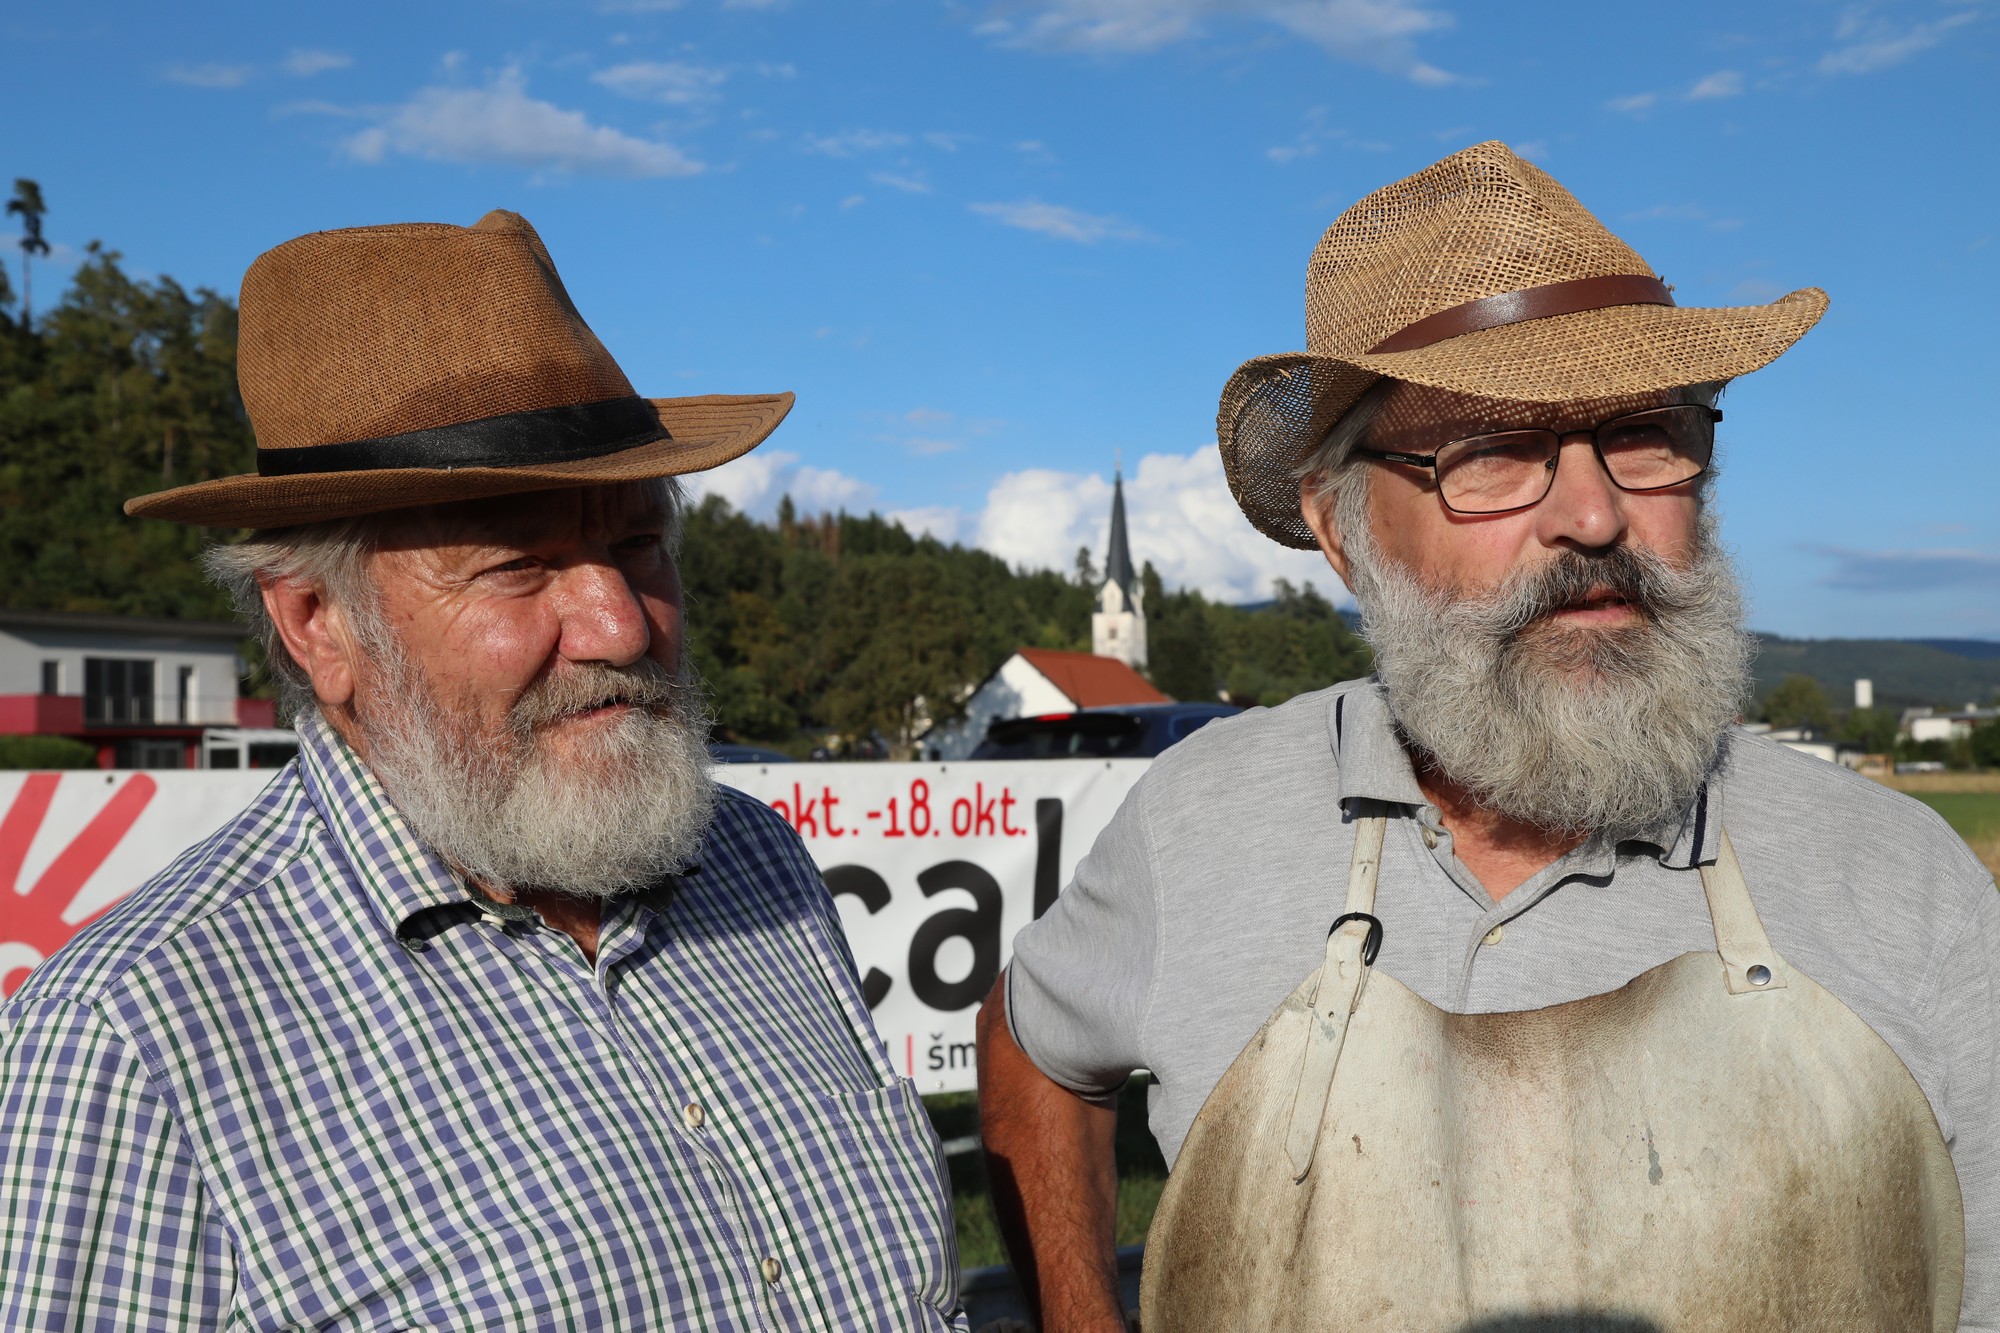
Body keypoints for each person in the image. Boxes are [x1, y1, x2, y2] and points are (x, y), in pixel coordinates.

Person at [977, 142, 1997, 1331]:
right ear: (1343, 530)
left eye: (1644, 431)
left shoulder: (1904, 885)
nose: (1593, 514)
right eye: (1493, 452)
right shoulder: (1198, 819)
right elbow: (1029, 1044)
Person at [0, 211, 964, 1330]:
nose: (620, 625)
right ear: (317, 623)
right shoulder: (135, 1039)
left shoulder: (757, 864)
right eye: (517, 565)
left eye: (639, 544)